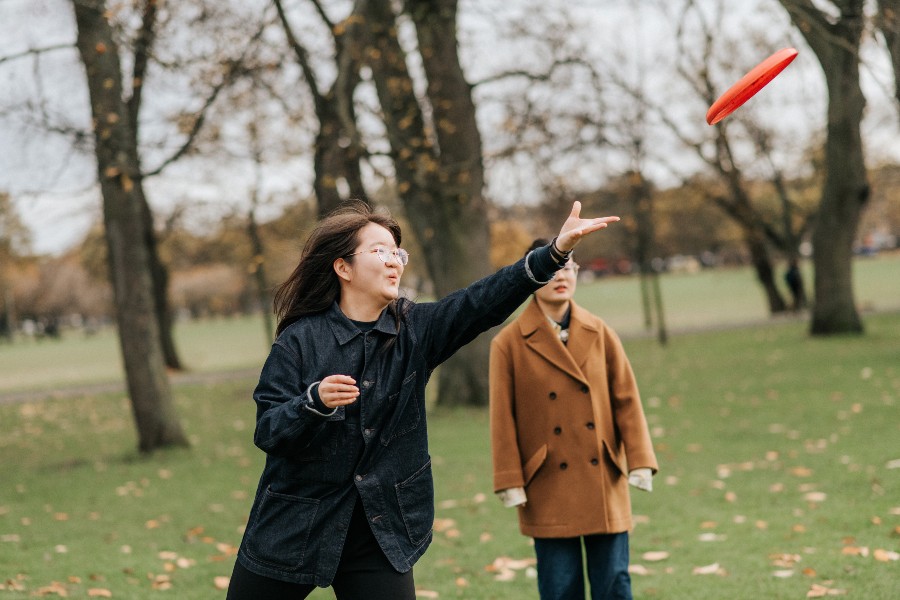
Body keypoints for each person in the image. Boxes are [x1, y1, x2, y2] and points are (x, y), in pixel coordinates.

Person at [226, 201, 619, 600]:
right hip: (294, 525)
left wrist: (554, 253)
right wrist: (313, 401)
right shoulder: (299, 341)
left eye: (397, 252)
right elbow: (269, 431)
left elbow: (481, 301)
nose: (394, 260)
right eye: (380, 250)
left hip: (378, 532)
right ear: (343, 268)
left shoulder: (415, 330)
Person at [489, 239, 658, 600]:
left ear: (577, 273)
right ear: (532, 276)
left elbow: (626, 399)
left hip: (603, 475)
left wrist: (640, 460)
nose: (559, 276)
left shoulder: (600, 332)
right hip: (547, 481)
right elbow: (502, 418)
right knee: (559, 587)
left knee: (614, 583)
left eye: (567, 267)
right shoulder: (508, 343)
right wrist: (508, 478)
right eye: (549, 268)